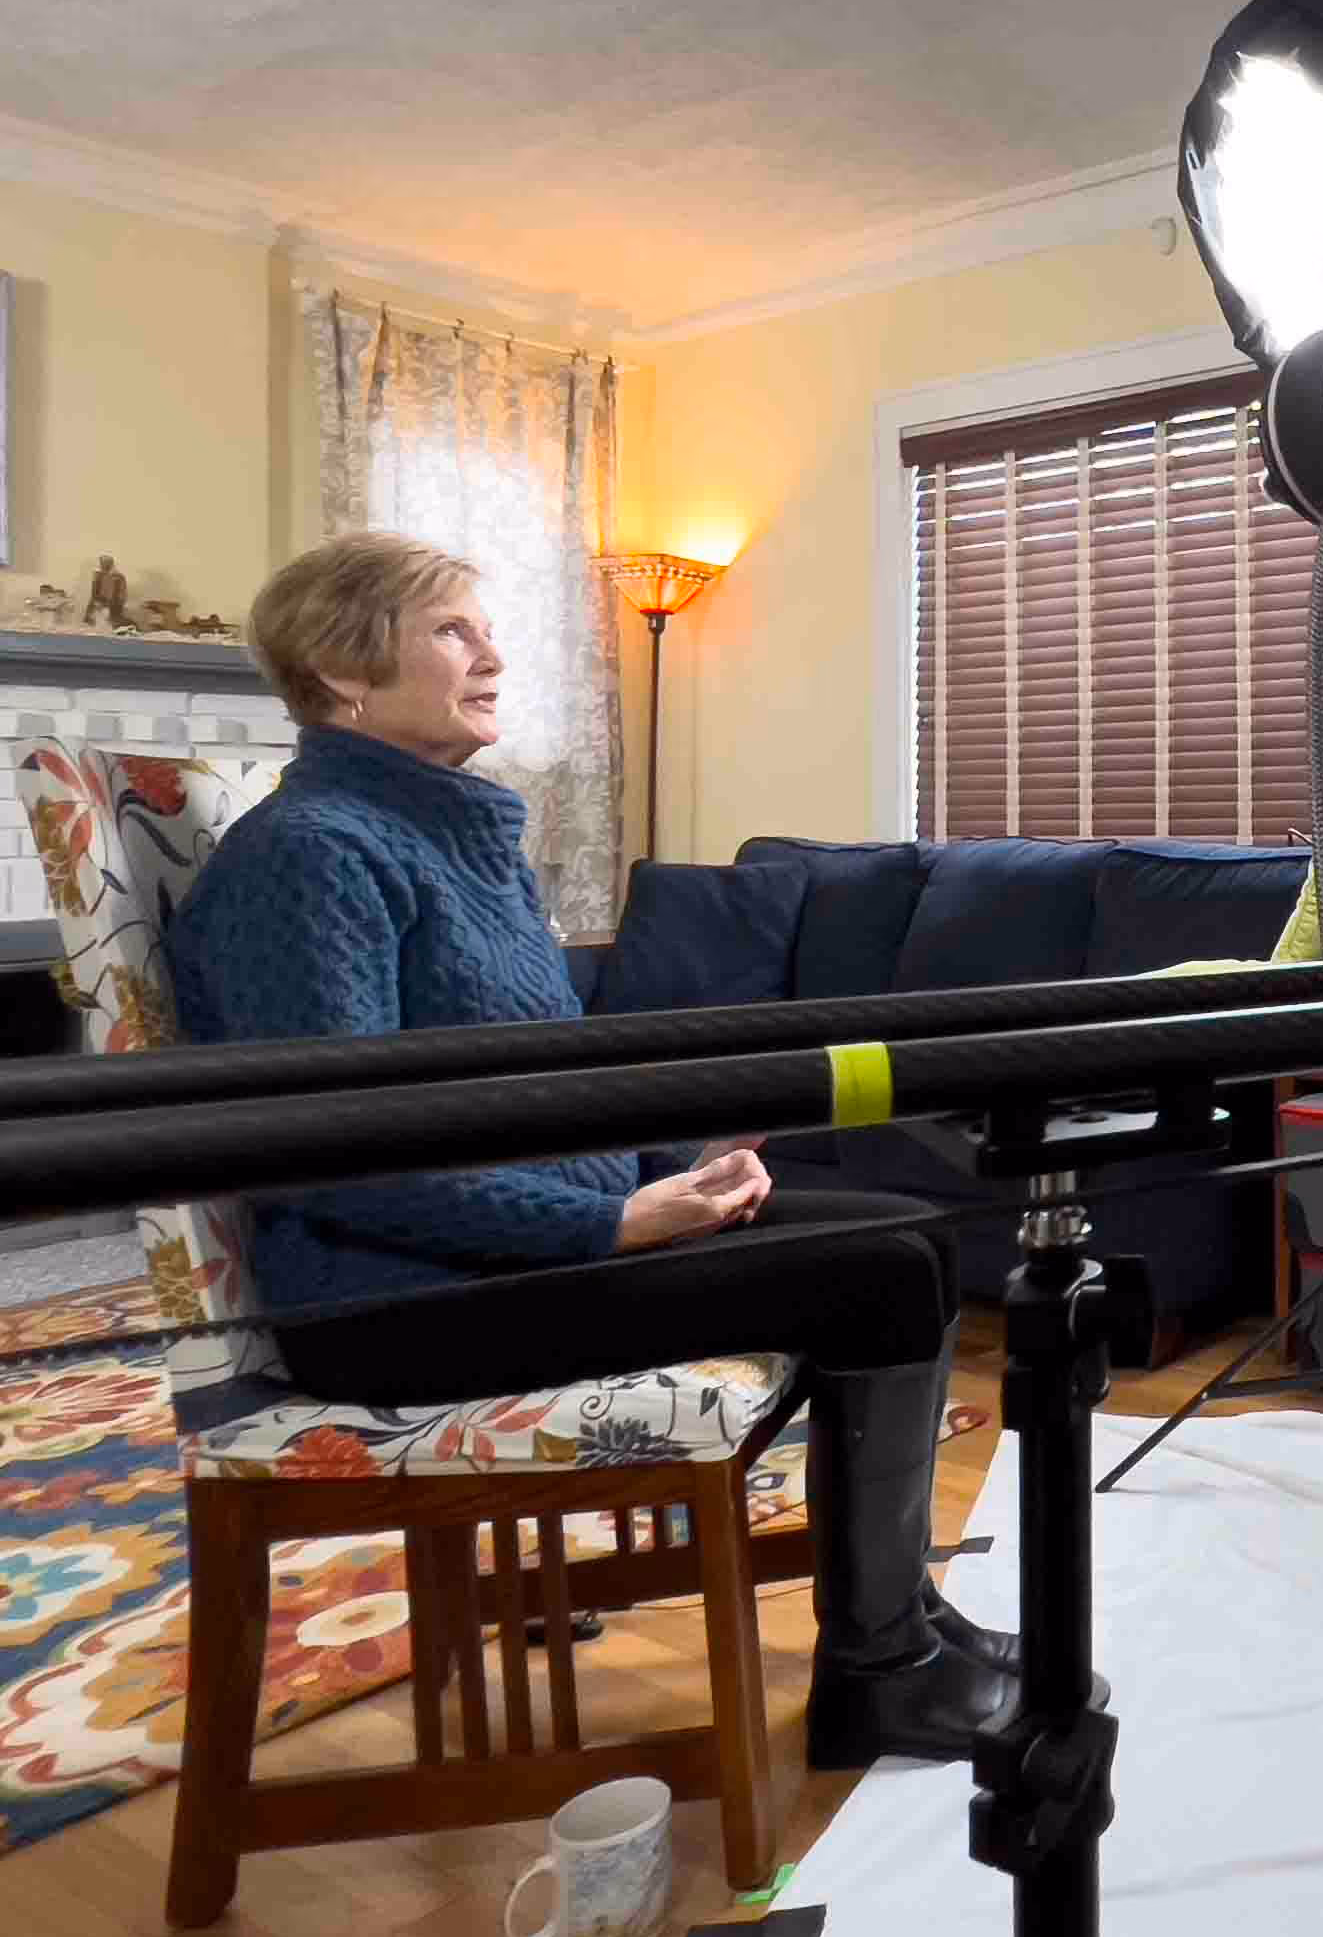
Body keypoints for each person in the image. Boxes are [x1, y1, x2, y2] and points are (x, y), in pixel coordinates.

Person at [169, 532, 1015, 1768]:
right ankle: (877, 1672)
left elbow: (553, 1073)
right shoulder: (311, 859)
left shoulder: (454, 840)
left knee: (912, 1236)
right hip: (391, 1300)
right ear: (342, 674)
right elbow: (336, 1159)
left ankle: (903, 1626)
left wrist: (689, 1155)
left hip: (517, 1251)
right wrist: (606, 1225)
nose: (495, 654)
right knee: (878, 1272)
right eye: (455, 630)